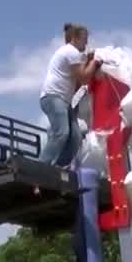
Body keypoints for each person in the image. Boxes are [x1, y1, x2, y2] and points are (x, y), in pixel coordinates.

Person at [40, 22, 103, 168]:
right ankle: (42, 166)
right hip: (53, 97)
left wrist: (88, 63)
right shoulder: (71, 51)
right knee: (62, 133)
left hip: (63, 101)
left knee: (75, 139)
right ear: (76, 38)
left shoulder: (74, 55)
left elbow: (77, 86)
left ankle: (57, 165)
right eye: (84, 40)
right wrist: (93, 63)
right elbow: (84, 77)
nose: (86, 45)